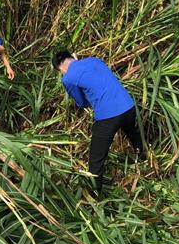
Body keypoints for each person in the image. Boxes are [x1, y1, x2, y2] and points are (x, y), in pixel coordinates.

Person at [52, 50, 143, 193]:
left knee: (96, 159)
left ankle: (95, 194)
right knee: (132, 132)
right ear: (72, 57)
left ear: (61, 69)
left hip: (108, 116)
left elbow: (81, 102)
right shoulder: (94, 60)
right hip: (128, 106)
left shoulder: (68, 78)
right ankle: (142, 159)